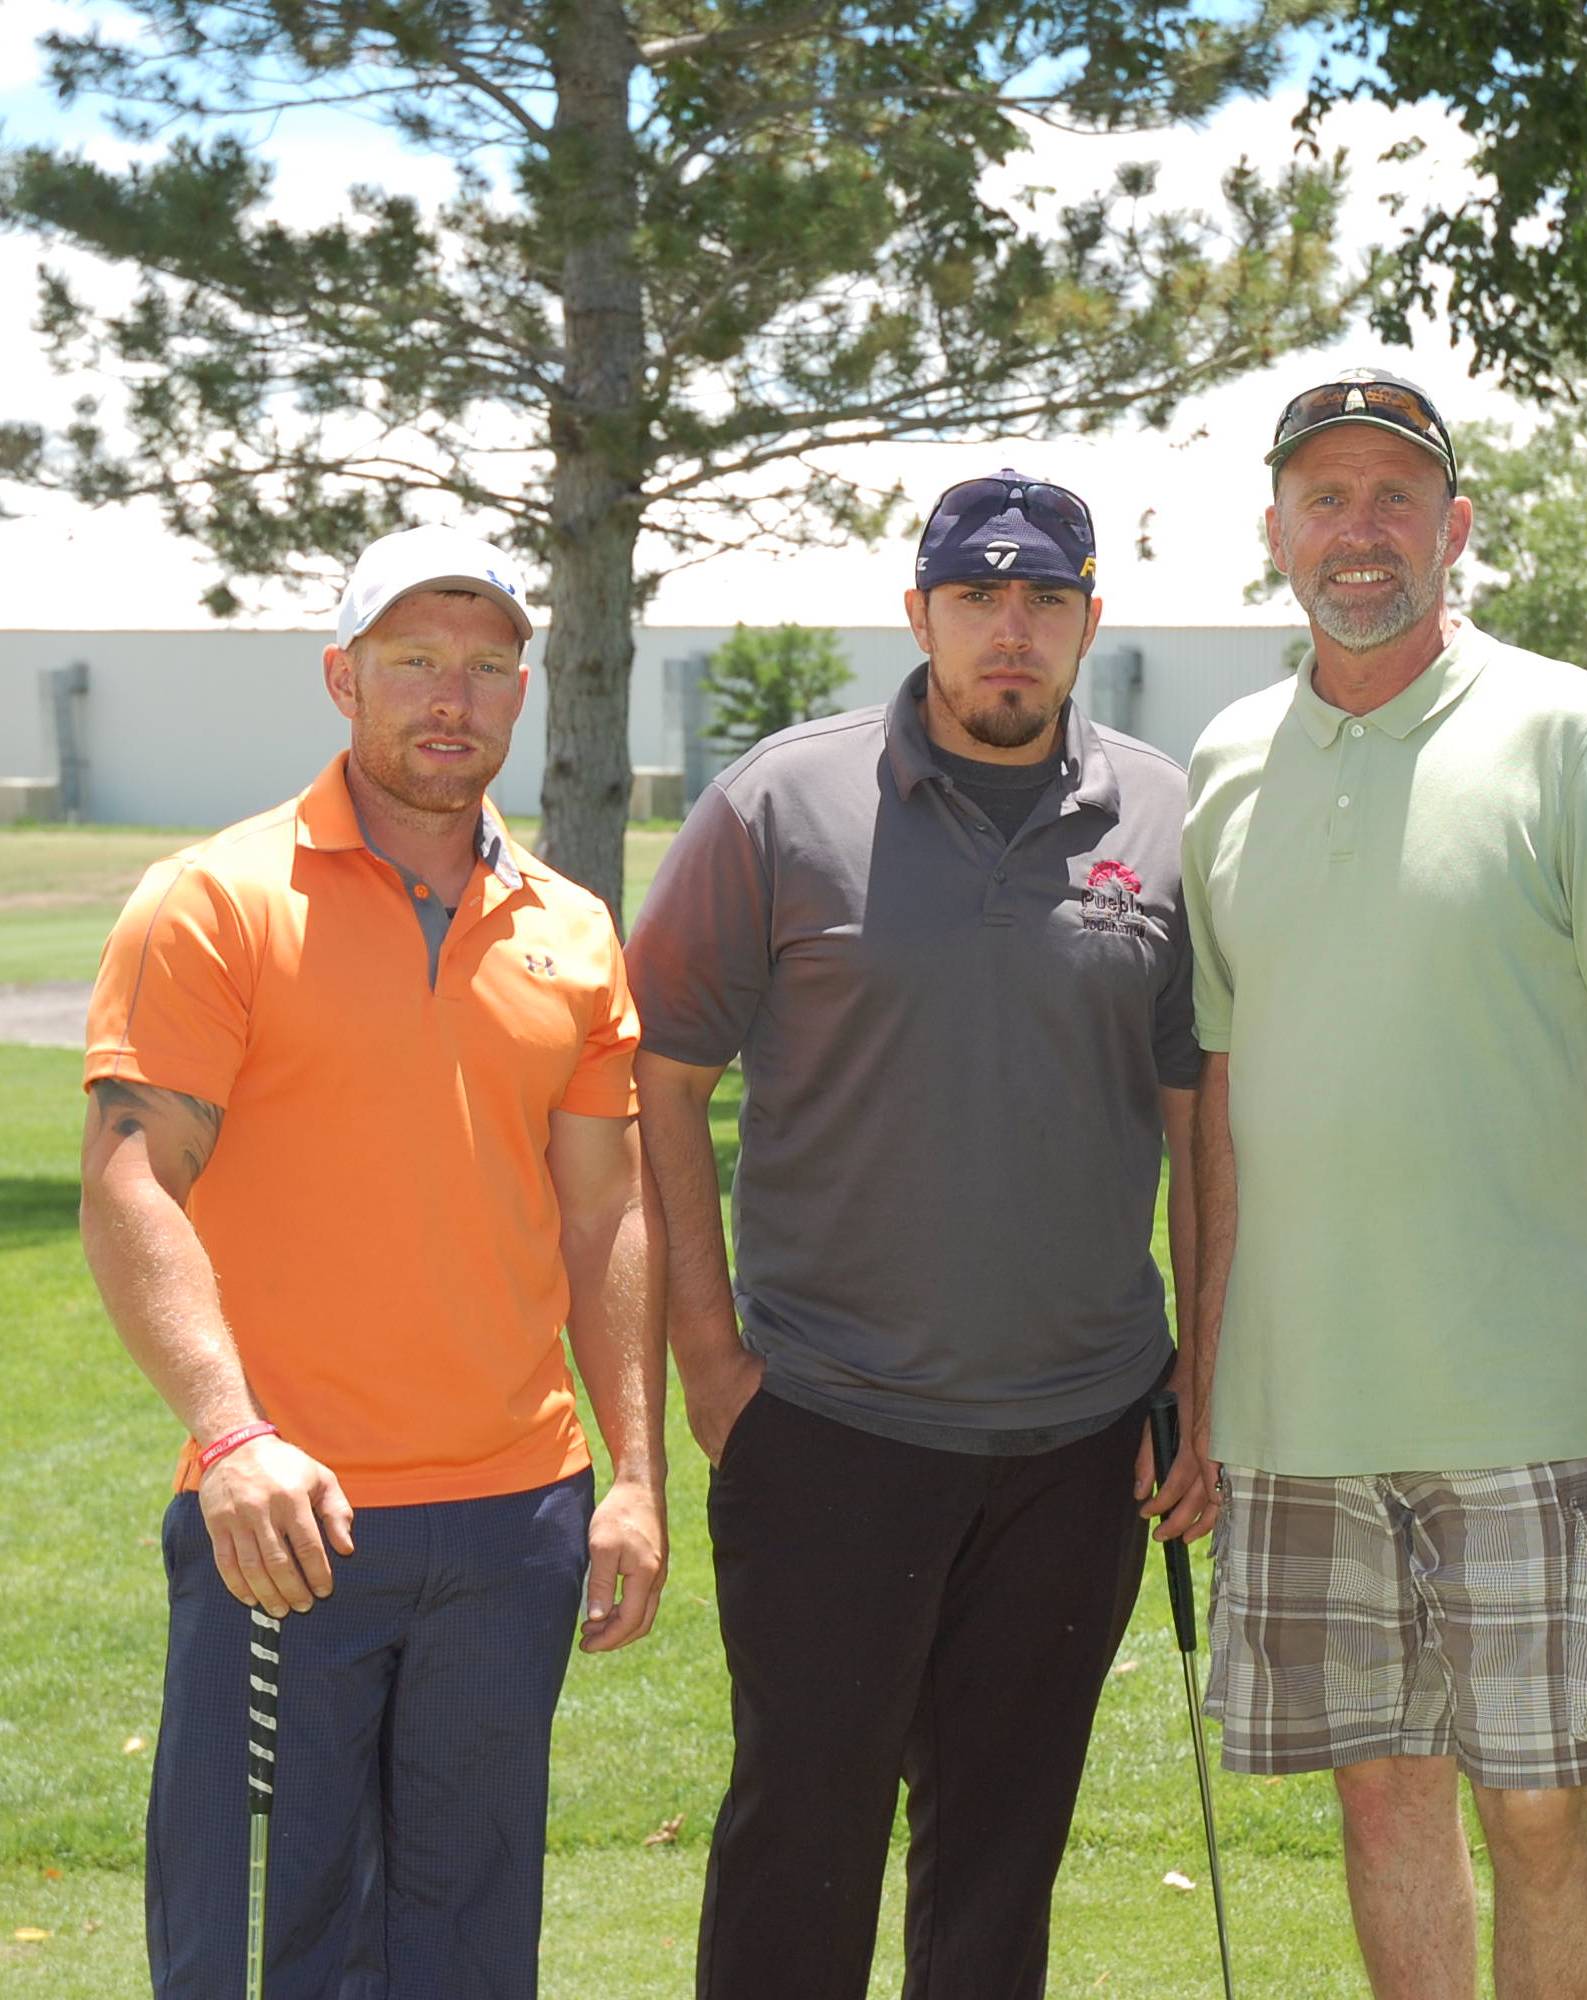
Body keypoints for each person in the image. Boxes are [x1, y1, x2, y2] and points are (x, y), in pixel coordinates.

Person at [626, 470, 1212, 1999]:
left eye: (1044, 601)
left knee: (1000, 1860)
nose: (1008, 633)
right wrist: (709, 1363)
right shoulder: (780, 802)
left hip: (1078, 1441)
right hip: (828, 1425)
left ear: (1090, 619)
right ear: (919, 615)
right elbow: (656, 1074)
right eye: (976, 600)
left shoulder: (1161, 815)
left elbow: (1201, 1119)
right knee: (800, 1846)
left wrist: (1195, 1382)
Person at [81, 525, 668, 2000]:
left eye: (484, 666)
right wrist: (231, 1437)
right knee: (272, 1952)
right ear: (343, 676)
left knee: (471, 1949)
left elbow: (608, 1214)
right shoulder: (213, 901)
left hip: (513, 1526)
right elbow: (135, 1180)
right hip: (286, 1522)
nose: (449, 699)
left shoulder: (576, 931)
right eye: (413, 661)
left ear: (524, 693)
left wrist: (637, 1477)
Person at [1181, 372, 1587, 2000]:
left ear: (1454, 527)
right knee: (1381, 1798)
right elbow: (1213, 1103)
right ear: (1274, 532)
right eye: (1323, 498)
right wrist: (1200, 1390)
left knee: (1542, 1807)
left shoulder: (1570, 728)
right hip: (1294, 1410)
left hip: (1530, 1400)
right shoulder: (1224, 760)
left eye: (1393, 498)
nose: (1359, 531)